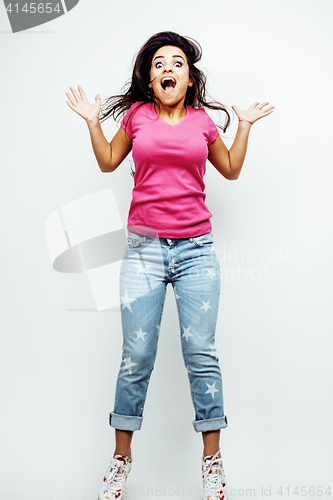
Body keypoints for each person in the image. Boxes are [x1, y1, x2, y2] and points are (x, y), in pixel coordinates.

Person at [65, 31, 274, 500]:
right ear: (151, 77)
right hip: (144, 249)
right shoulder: (138, 116)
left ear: (189, 77)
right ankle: (121, 461)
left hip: (197, 249)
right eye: (160, 62)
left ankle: (212, 463)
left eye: (177, 62)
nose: (168, 69)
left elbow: (232, 169)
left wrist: (244, 125)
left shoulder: (202, 123)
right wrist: (91, 123)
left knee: (201, 352)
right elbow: (107, 162)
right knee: (136, 357)